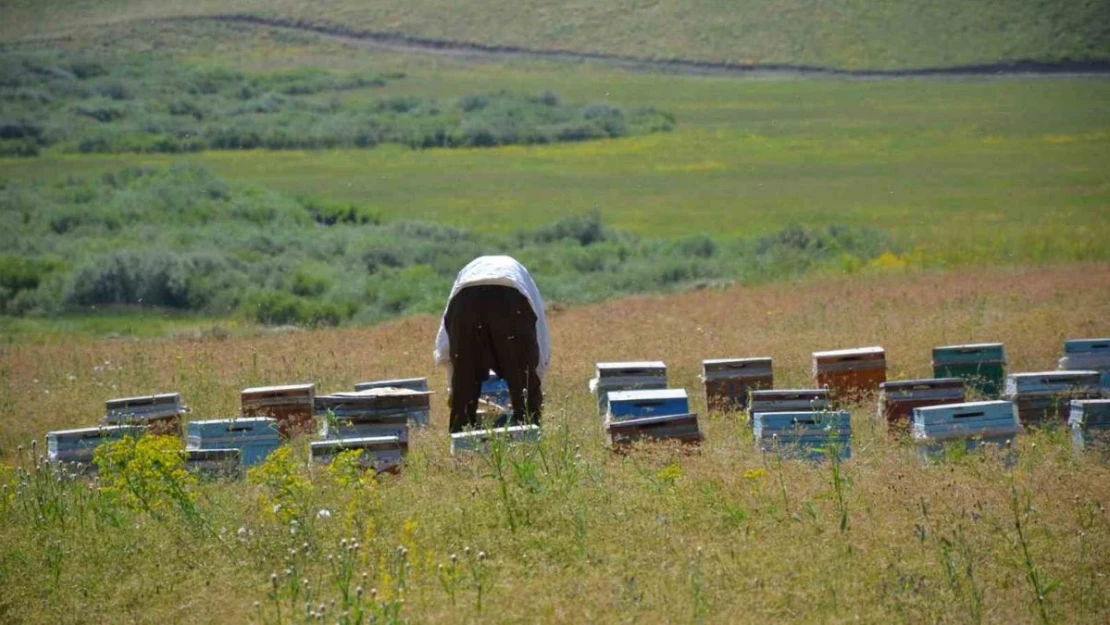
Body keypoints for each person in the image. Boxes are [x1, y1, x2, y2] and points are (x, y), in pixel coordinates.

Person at [434, 255, 550, 433]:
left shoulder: (467, 273)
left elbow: (447, 344)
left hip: (466, 302)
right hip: (510, 299)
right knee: (523, 382)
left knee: (464, 384)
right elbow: (539, 337)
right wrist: (537, 381)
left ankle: (462, 443)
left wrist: (454, 387)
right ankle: (530, 439)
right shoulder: (522, 275)